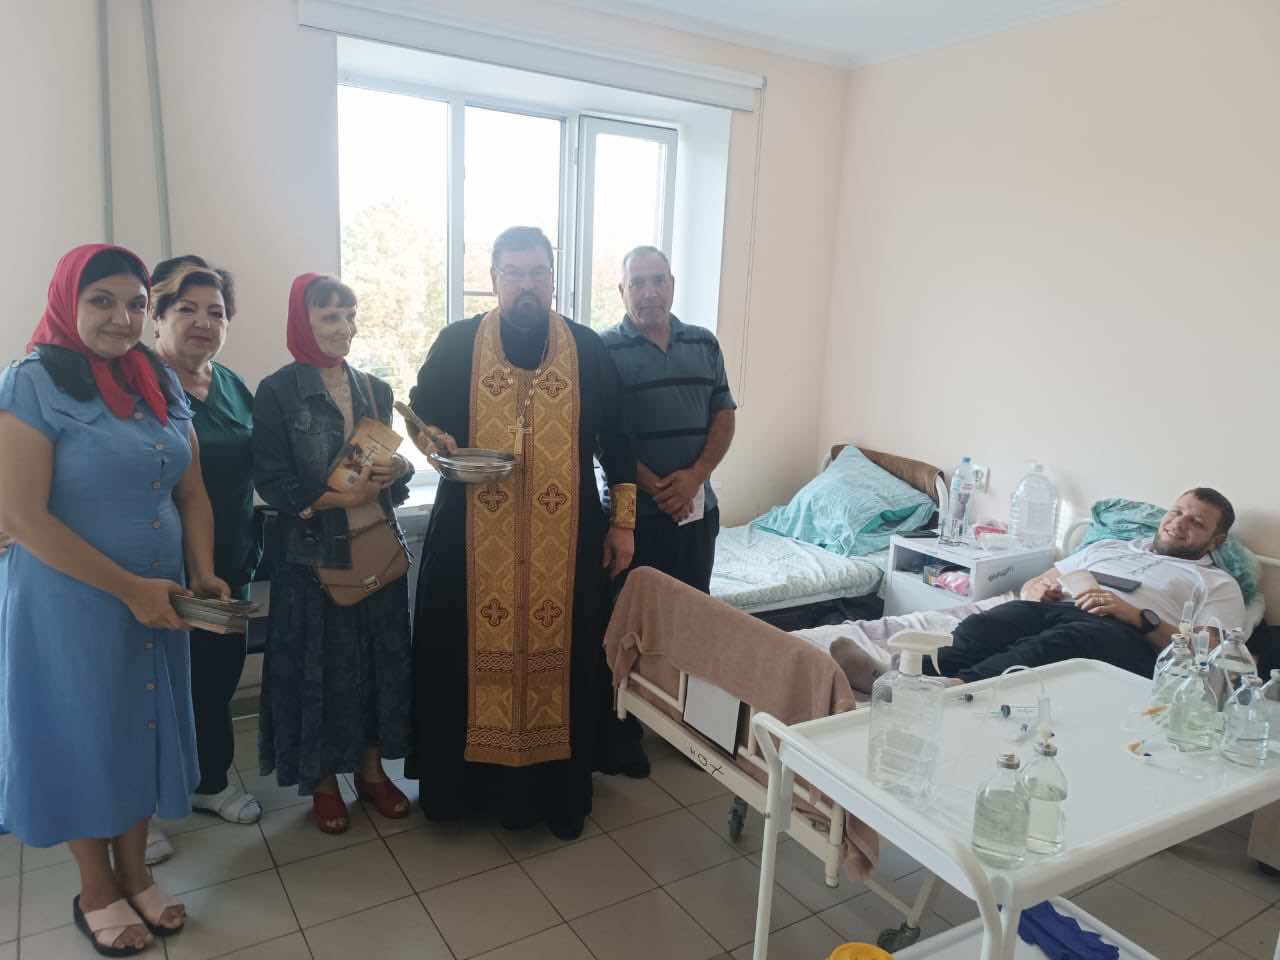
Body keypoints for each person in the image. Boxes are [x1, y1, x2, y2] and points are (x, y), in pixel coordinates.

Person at [0, 244, 230, 954]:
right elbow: (20, 517)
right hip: (69, 601)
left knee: (141, 729)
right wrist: (130, 590)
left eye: (135, 303)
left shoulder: (155, 379)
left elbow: (191, 491)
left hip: (160, 599)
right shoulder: (32, 382)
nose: (122, 318)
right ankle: (95, 887)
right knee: (82, 735)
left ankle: (136, 873)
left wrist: (204, 573)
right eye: (101, 300)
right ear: (67, 302)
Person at [406, 226, 637, 839]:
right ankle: (462, 795)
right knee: (458, 654)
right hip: (468, 538)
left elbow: (619, 440)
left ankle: (555, 796)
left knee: (568, 658)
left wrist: (623, 523)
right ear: (494, 279)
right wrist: (435, 443)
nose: (526, 285)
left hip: (568, 543)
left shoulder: (587, 349)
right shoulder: (458, 343)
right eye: (513, 273)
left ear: (553, 279)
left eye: (537, 272)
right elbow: (420, 415)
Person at [252, 273, 416, 834]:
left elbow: (390, 476)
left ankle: (371, 772)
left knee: (374, 663)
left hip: (374, 549)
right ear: (303, 321)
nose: (344, 327)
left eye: (350, 315)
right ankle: (323, 782)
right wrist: (334, 499)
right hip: (311, 560)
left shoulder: (375, 389)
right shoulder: (277, 392)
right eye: (329, 316)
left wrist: (400, 468)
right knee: (317, 668)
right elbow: (272, 481)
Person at [832, 489, 1247, 690]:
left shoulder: (1217, 582)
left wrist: (1138, 616)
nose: (1179, 523)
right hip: (1060, 606)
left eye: (1196, 522)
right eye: (1177, 511)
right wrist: (1037, 590)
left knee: (1061, 642)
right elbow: (1039, 580)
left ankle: (954, 690)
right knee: (989, 623)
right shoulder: (1108, 547)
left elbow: (1211, 651)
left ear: (1217, 540)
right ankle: (901, 677)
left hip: (1127, 634)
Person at [140, 257, 263, 867]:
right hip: (155, 568)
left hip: (228, 563)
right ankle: (138, 810)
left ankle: (210, 782)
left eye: (216, 312)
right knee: (149, 691)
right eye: (185, 309)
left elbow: (264, 462)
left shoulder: (232, 385)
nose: (202, 322)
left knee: (213, 682)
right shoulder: (134, 383)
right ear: (155, 316)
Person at [602, 246, 736, 593]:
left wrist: (695, 477)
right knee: (631, 619)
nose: (650, 292)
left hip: (697, 518)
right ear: (622, 290)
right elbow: (602, 437)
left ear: (672, 284)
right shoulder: (603, 351)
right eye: (638, 283)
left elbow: (723, 414)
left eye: (658, 280)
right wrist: (660, 490)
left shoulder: (704, 344)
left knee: (691, 616)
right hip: (631, 524)